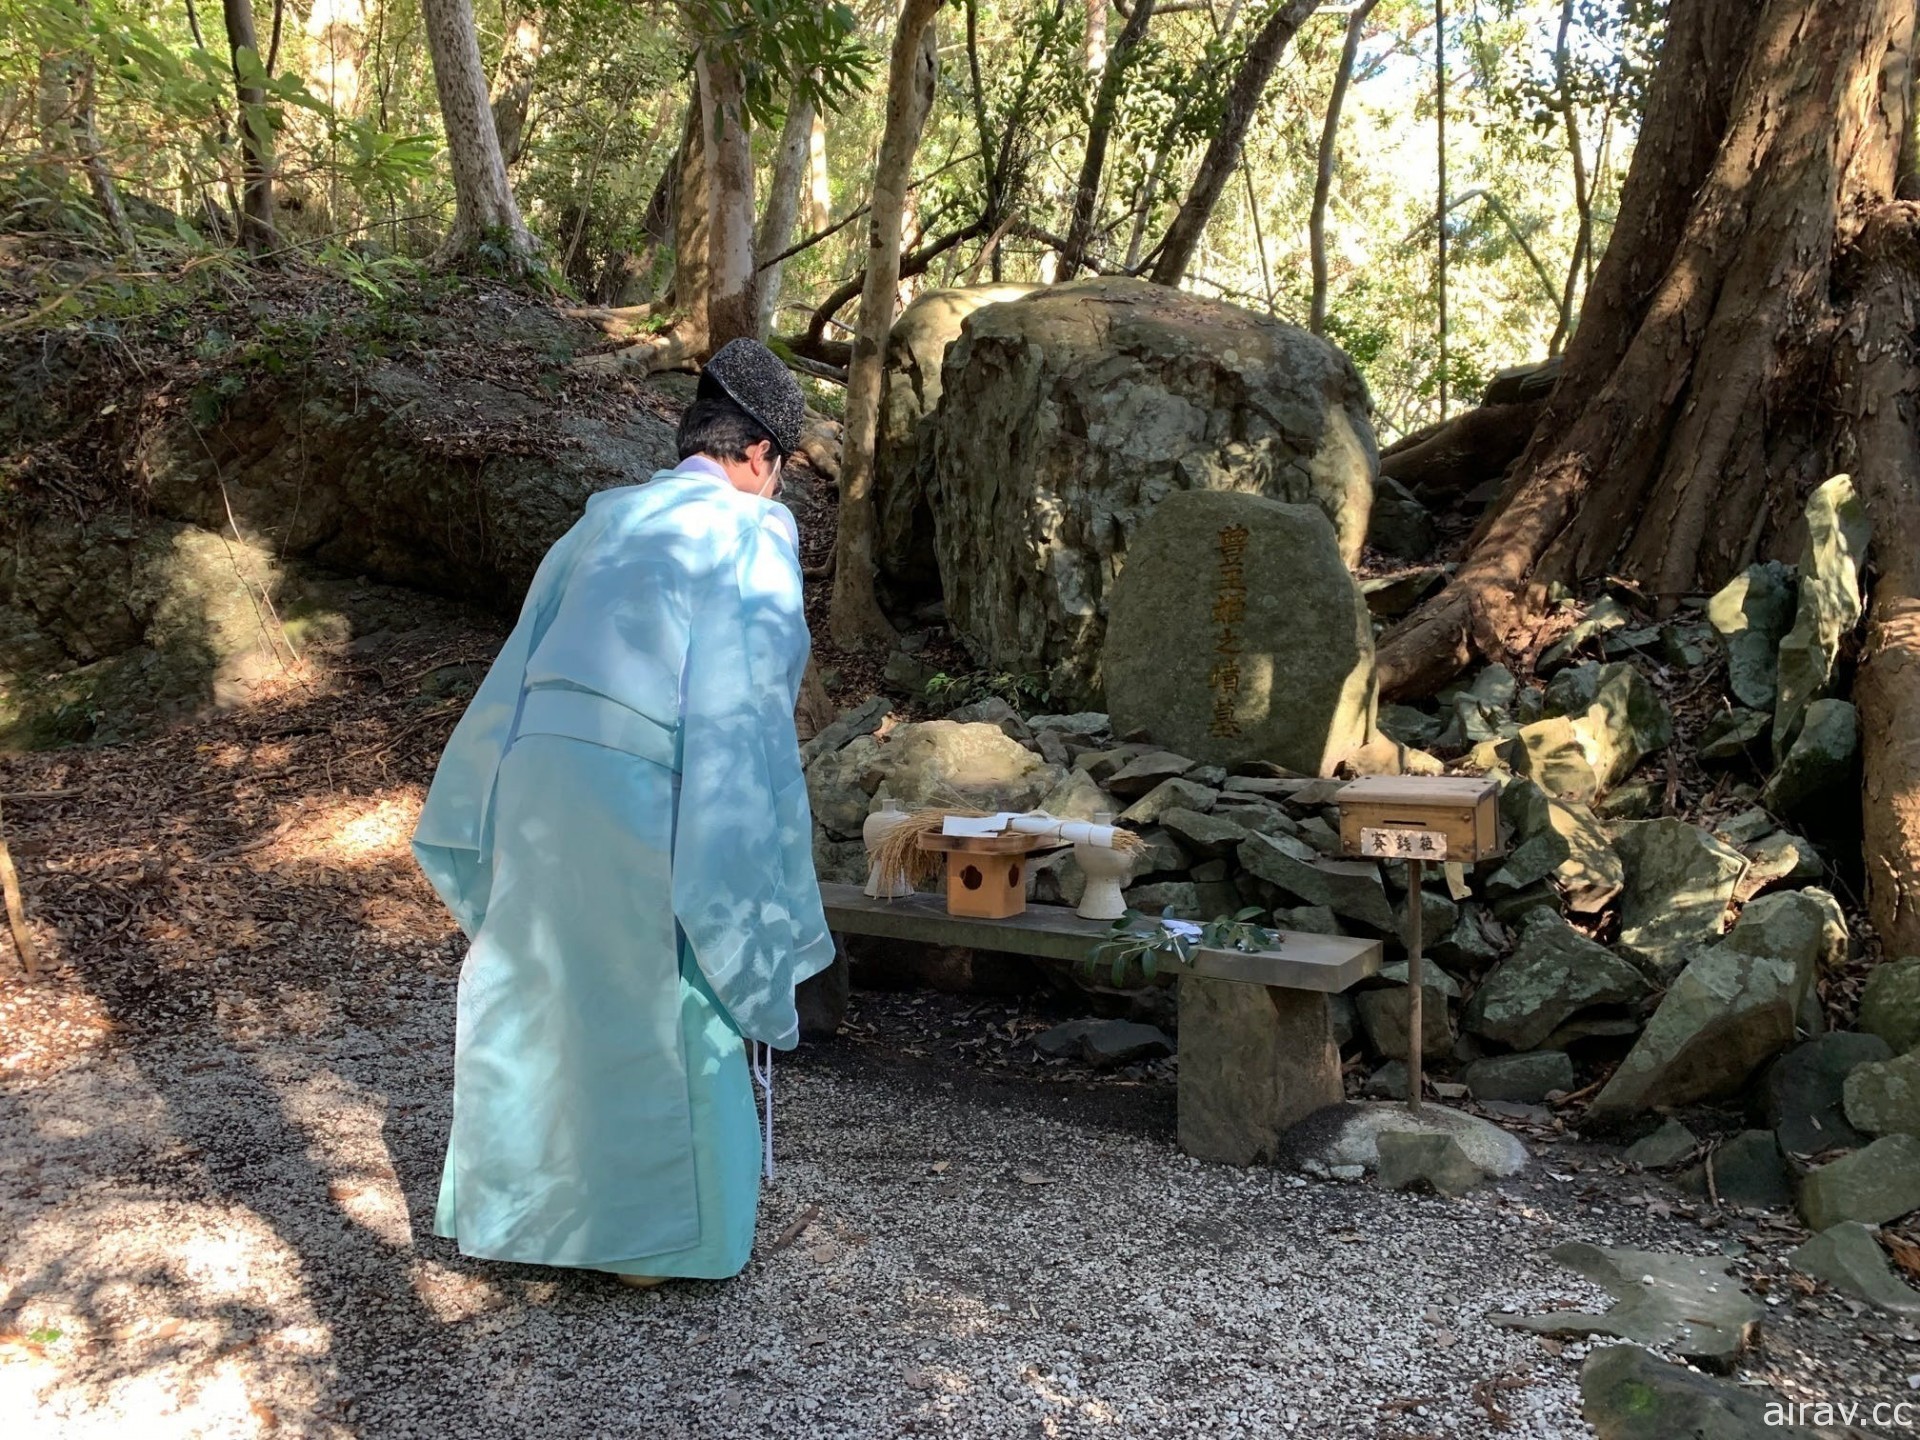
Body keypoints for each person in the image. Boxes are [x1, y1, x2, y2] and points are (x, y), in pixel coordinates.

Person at [411, 339, 832, 1286]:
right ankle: (658, 1248)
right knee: (670, 1000)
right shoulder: (747, 531)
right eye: (784, 472)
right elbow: (746, 704)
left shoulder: (605, 520)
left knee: (546, 995)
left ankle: (532, 1224)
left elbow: (519, 659)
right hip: (646, 784)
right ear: (760, 455)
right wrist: (745, 850)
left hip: (533, 779)